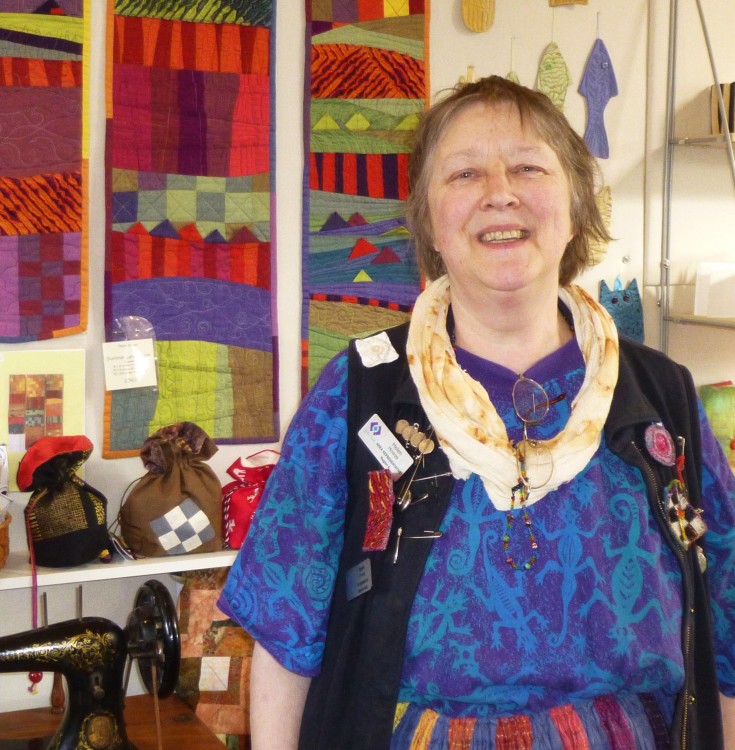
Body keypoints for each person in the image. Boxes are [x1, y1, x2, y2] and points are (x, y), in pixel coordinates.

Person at [219, 76, 735, 749]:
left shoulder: (659, 398)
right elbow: (286, 630)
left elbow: (725, 619)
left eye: (527, 166)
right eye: (464, 172)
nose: (499, 189)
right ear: (429, 222)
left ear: (576, 207)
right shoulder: (357, 394)